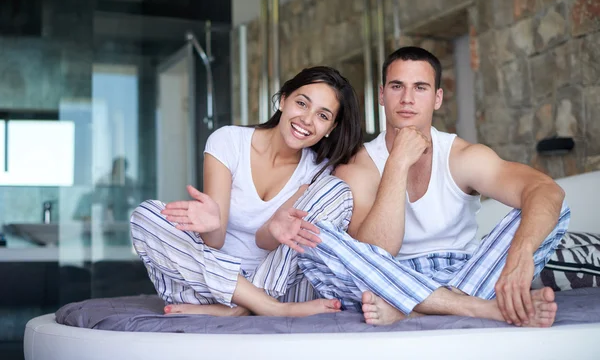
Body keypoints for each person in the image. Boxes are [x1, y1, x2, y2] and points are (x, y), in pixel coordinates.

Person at [295, 46, 570, 327]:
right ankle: (474, 308)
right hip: (389, 276)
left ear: (438, 97)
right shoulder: (357, 166)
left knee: (551, 205)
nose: (407, 99)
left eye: (421, 88)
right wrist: (398, 163)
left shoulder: (463, 156)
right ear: (381, 94)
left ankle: (413, 309)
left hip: (464, 275)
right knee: (312, 235)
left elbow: (545, 190)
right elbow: (376, 253)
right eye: (397, 86)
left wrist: (521, 256)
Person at [130, 66, 362, 317]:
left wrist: (274, 227)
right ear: (283, 100)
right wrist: (210, 225)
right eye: (302, 103)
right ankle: (261, 307)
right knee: (146, 215)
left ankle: (245, 308)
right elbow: (215, 241)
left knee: (337, 190)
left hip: (280, 286)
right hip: (208, 286)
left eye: (322, 116)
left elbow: (264, 240)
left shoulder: (317, 172)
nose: (307, 120)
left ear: (330, 128)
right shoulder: (228, 141)